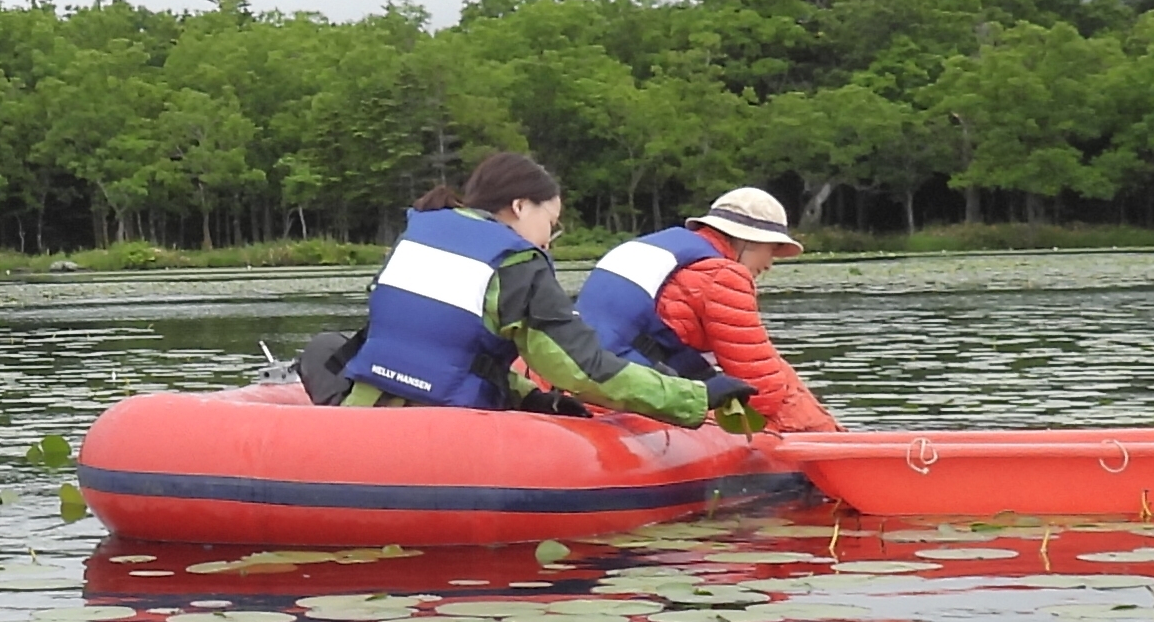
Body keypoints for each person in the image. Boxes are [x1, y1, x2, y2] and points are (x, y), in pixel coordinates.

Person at [316, 151, 712, 420]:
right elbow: (584, 369)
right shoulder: (518, 263)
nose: (547, 240)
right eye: (551, 224)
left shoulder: (418, 234)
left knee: (324, 348)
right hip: (446, 429)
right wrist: (695, 397)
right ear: (521, 206)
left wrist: (529, 396)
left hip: (364, 410)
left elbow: (454, 349)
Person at [572, 186, 837, 433]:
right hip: (630, 393)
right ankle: (834, 447)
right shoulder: (723, 276)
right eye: (771, 249)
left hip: (578, 379)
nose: (769, 264)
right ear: (747, 240)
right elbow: (764, 393)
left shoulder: (653, 247)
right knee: (782, 392)